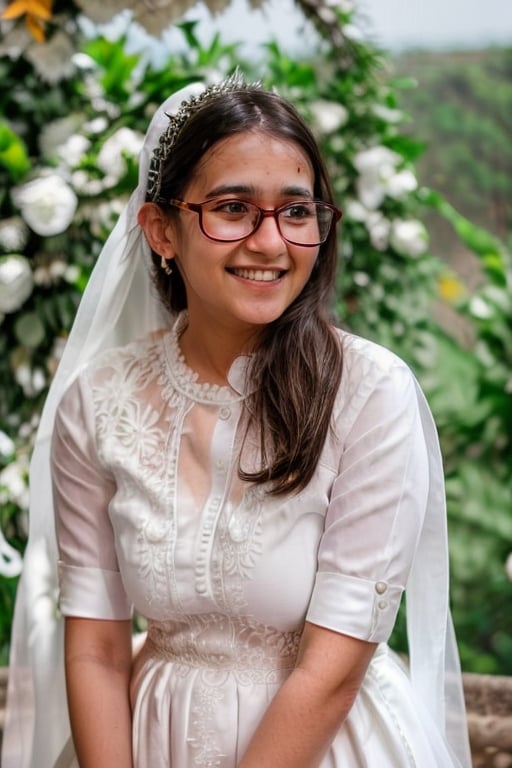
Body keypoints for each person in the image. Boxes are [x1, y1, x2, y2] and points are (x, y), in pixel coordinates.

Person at [2, 73, 472, 768]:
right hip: (143, 740)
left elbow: (332, 667)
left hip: (324, 743)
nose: (270, 242)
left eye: (296, 211)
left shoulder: (371, 394)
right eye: (232, 208)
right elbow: (97, 648)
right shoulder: (96, 402)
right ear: (161, 228)